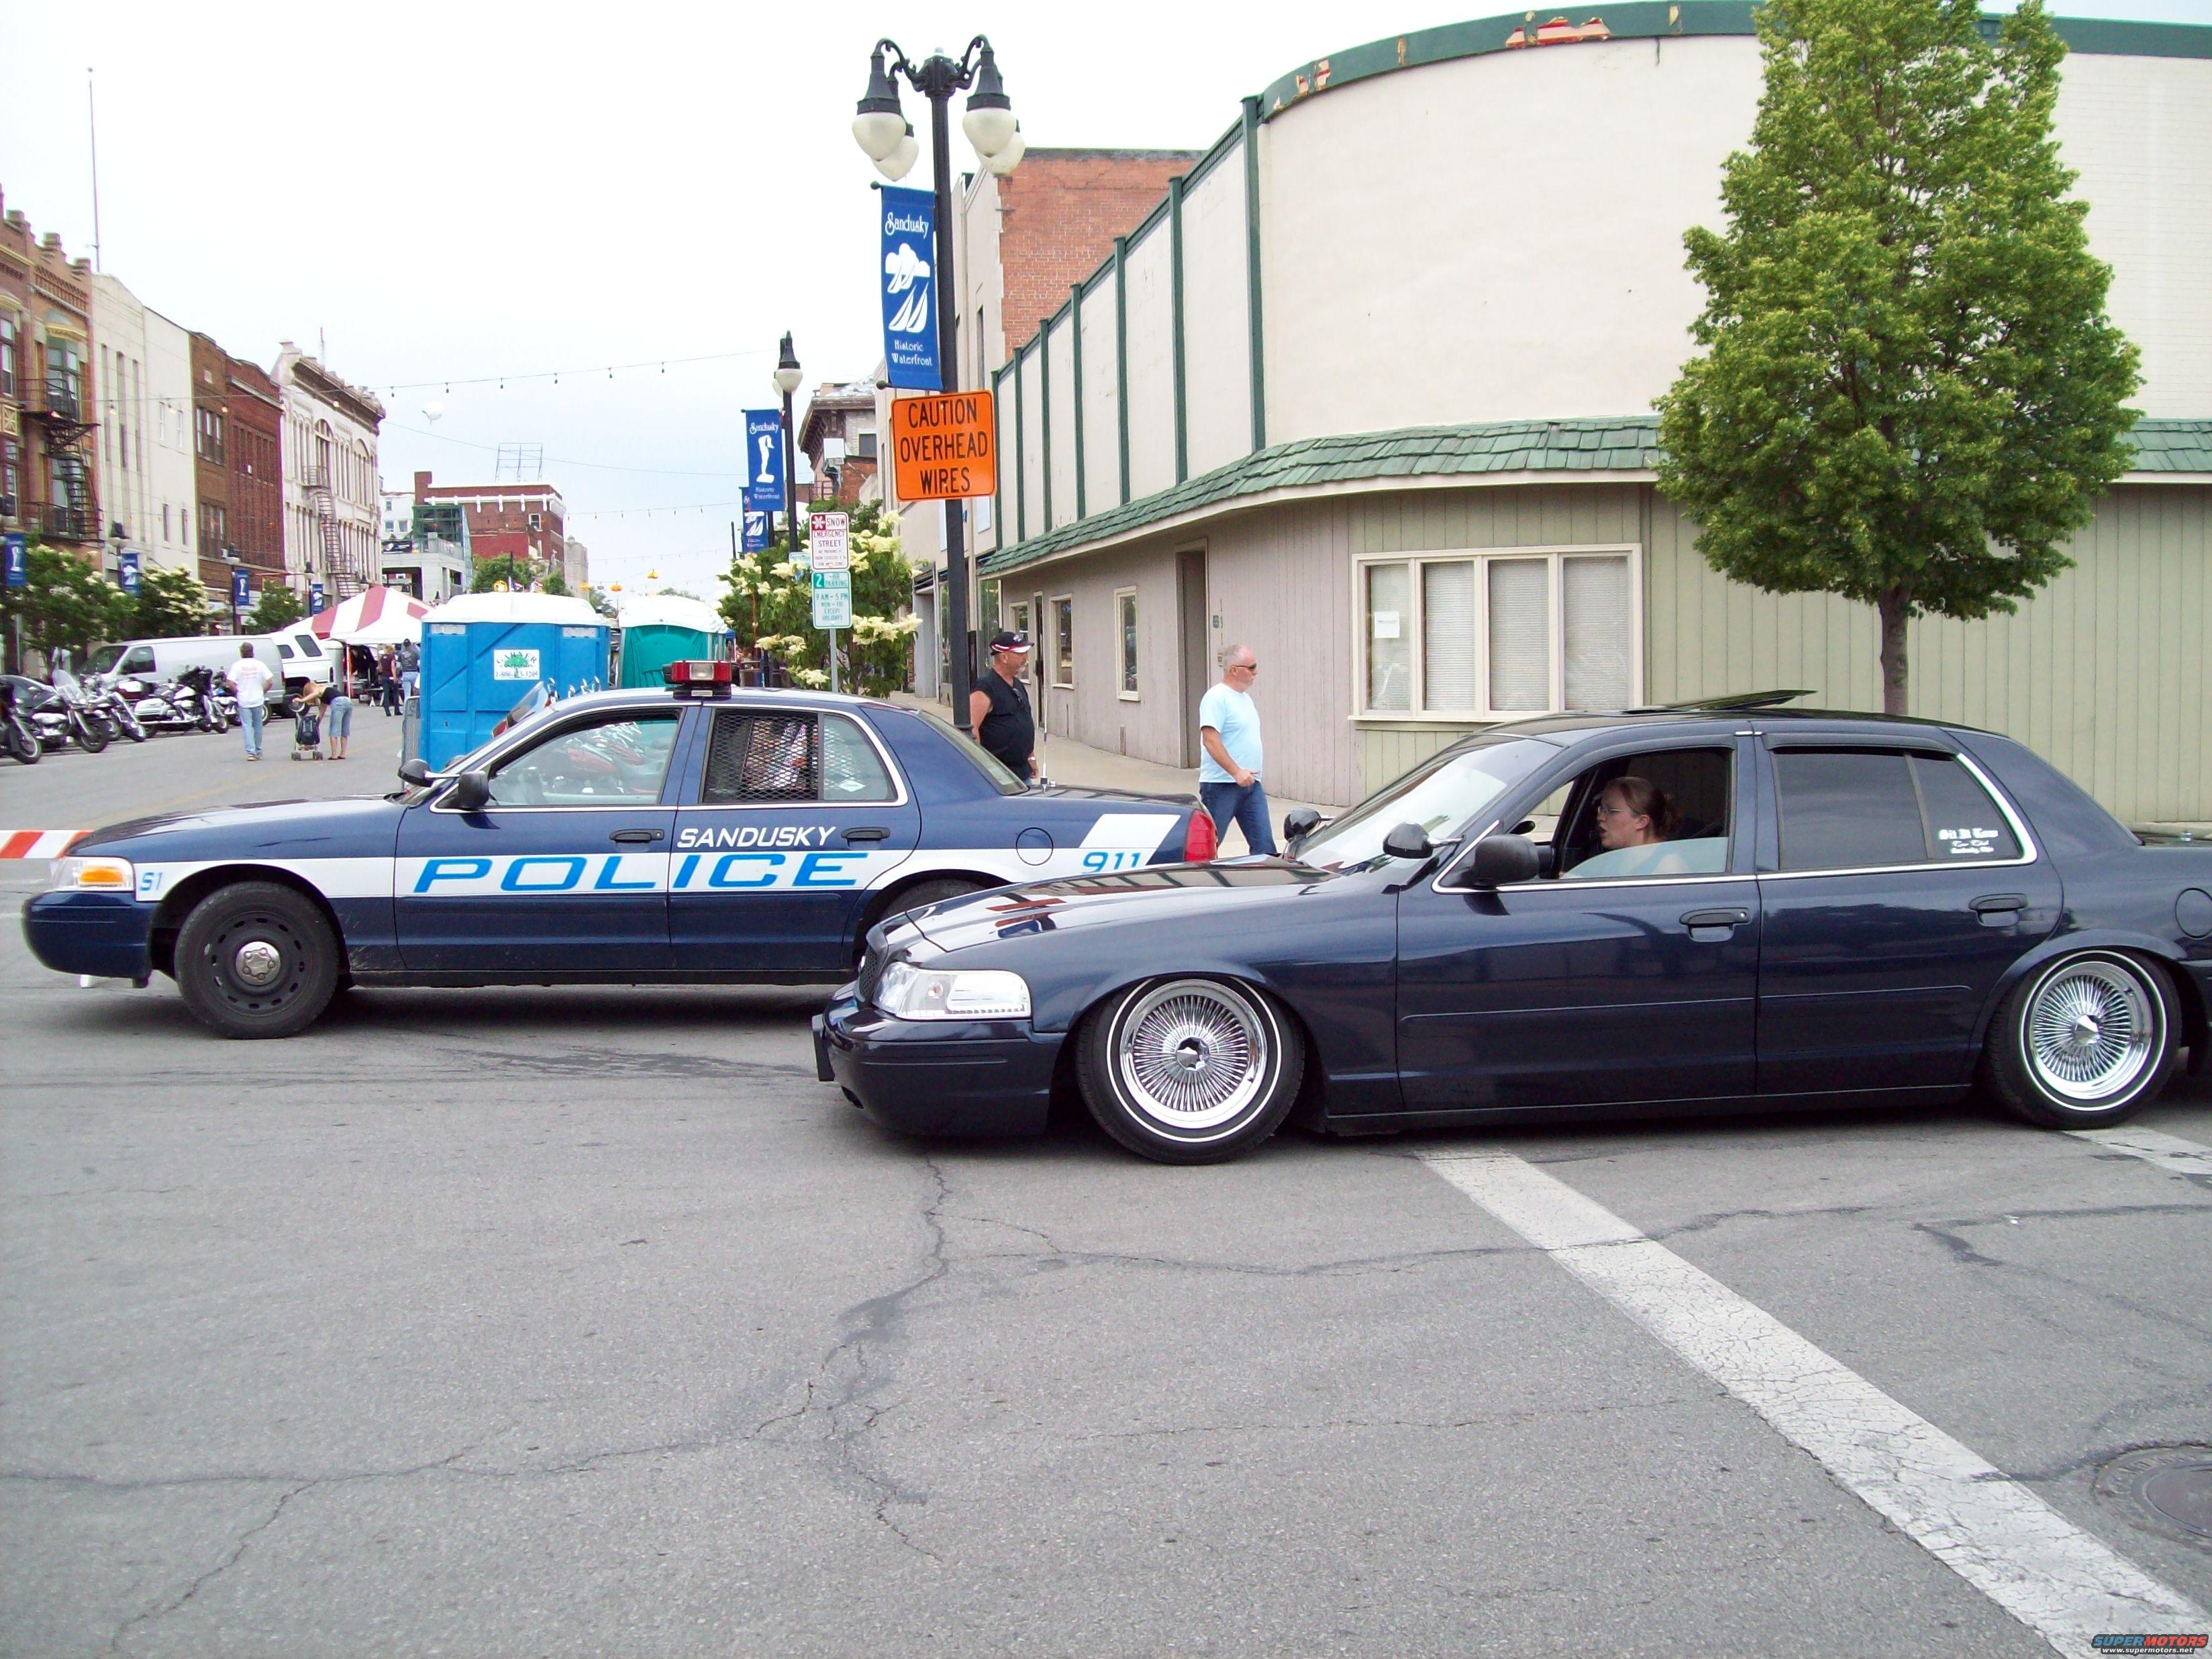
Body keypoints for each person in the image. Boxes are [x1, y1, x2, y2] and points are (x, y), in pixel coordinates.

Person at [1198, 645, 1276, 856]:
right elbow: (1210, 740)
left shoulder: (1245, 699)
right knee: (1207, 847)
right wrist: (1235, 772)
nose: (1255, 672)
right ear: (1234, 670)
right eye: (1251, 667)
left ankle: (1267, 886)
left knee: (1265, 849)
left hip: (1251, 785)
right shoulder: (1216, 698)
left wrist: (1244, 776)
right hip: (1221, 786)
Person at [1564, 776, 1691, 878]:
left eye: (1611, 811)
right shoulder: (1615, 858)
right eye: (1602, 809)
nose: (1600, 817)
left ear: (1641, 821)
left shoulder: (1669, 867)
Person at [968, 630, 1038, 783]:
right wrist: (983, 767)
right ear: (1004, 657)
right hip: (999, 774)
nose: (1025, 658)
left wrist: (1030, 756)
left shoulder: (1017, 684)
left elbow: (1023, 722)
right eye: (1020, 653)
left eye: (1025, 653)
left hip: (1022, 771)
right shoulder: (985, 687)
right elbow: (972, 729)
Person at [224, 643, 274, 761]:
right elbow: (270, 681)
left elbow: (230, 682)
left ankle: (250, 752)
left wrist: (237, 692)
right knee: (258, 725)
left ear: (241, 652)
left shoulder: (237, 666)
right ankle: (258, 750)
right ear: (253, 652)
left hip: (244, 699)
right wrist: (262, 692)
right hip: (258, 698)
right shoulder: (260, 664)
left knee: (247, 725)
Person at [323, 660, 353, 760]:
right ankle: (343, 753)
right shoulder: (328, 690)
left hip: (338, 703)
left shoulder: (321, 694)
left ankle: (334, 754)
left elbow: (321, 711)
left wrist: (302, 699)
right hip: (348, 701)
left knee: (334, 729)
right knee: (345, 728)